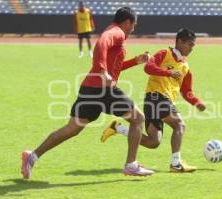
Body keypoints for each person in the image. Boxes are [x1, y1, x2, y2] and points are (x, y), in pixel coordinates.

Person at [21, 7, 155, 179]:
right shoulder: (117, 32)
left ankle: (31, 156)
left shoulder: (113, 31)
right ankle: (131, 165)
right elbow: (101, 44)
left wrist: (135, 61)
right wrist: (101, 70)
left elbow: (114, 67)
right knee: (138, 118)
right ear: (127, 22)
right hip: (103, 90)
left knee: (72, 128)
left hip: (91, 88)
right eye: (133, 25)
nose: (133, 29)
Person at [101, 28, 206, 173]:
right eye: (190, 44)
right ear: (180, 42)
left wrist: (197, 102)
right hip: (156, 97)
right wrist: (168, 72)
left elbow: (186, 91)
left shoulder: (185, 67)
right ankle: (176, 164)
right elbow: (148, 67)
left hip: (159, 102)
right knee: (179, 125)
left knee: (153, 142)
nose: (192, 48)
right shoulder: (164, 54)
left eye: (193, 45)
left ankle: (118, 128)